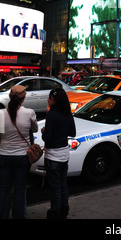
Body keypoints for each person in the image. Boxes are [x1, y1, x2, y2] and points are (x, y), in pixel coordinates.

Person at [0, 85, 38, 219]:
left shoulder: (1, 114)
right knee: (20, 189)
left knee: (3, 189)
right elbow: (35, 129)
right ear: (24, 98)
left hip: (3, 156)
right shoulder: (29, 113)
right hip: (22, 157)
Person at [41, 88, 76, 219]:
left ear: (54, 100)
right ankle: (64, 210)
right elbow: (72, 132)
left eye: (49, 98)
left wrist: (44, 131)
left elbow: (47, 138)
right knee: (63, 185)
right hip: (64, 154)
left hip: (53, 155)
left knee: (55, 187)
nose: (47, 100)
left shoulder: (52, 114)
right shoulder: (68, 113)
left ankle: (55, 213)